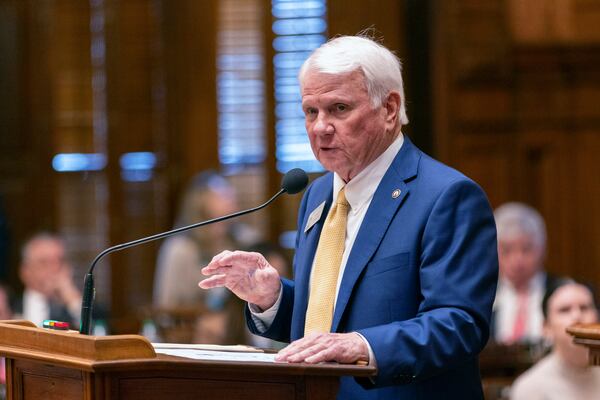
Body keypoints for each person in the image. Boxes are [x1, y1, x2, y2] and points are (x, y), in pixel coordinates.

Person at [200, 35, 498, 399]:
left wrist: (363, 346)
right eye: (311, 111)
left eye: (339, 108)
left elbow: (459, 323)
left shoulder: (446, 196)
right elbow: (329, 318)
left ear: (389, 109)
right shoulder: (316, 195)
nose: (320, 127)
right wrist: (273, 297)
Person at [153, 171, 259, 343]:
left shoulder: (244, 240)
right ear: (201, 200)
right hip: (188, 334)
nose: (231, 197)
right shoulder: (180, 248)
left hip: (237, 332)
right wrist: (206, 315)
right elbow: (166, 307)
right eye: (222, 193)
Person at [510, 278, 600, 399]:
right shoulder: (530, 388)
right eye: (565, 310)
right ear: (546, 327)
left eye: (584, 308)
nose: (577, 316)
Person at [491, 202, 551, 344]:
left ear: (542, 249)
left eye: (526, 249)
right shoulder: (482, 296)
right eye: (507, 250)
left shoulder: (564, 291)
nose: (517, 260)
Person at [16, 232, 82, 328]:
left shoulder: (73, 310)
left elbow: (96, 332)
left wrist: (73, 300)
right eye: (44, 262)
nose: (55, 268)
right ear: (25, 272)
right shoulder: (7, 307)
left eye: (60, 261)